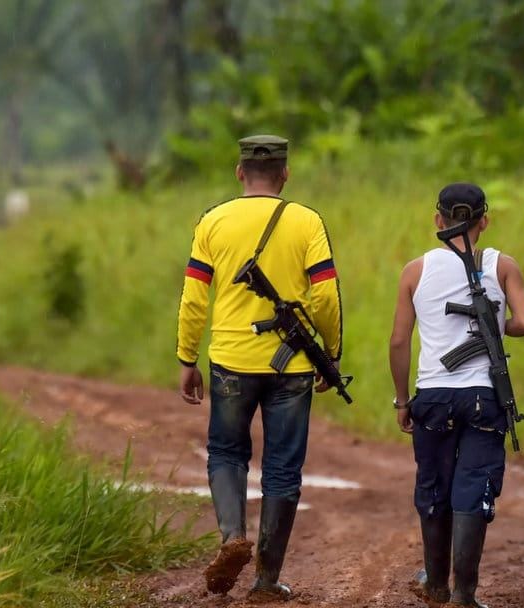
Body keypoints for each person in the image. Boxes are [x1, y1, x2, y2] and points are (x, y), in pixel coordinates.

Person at [176, 134, 343, 601]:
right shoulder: (307, 221)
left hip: (230, 360)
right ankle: (267, 580)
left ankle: (232, 537)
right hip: (292, 365)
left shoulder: (212, 221)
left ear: (239, 173)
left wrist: (187, 357)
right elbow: (325, 295)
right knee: (284, 468)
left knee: (227, 453)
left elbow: (194, 298)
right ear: (285, 174)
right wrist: (330, 353)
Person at [389, 183, 524, 607]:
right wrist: (499, 324)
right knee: (474, 488)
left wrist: (403, 401)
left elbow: (399, 342)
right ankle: (464, 595)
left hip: (433, 395)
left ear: (439, 220)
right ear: (483, 221)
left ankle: (436, 583)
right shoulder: (501, 265)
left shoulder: (415, 270)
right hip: (482, 396)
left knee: (434, 487)